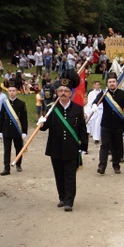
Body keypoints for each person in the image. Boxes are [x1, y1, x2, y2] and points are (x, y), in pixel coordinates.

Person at [37, 72, 88, 211]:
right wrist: (41, 123)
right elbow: (44, 127)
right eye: (61, 90)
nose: (63, 93)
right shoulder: (51, 108)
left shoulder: (77, 109)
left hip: (71, 148)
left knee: (70, 175)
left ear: (71, 93)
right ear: (57, 92)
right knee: (59, 174)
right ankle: (62, 197)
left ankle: (69, 202)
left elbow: (82, 129)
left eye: (66, 91)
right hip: (56, 147)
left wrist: (83, 147)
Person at [92, 74, 124, 174]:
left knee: (117, 146)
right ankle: (102, 166)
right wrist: (94, 105)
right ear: (107, 84)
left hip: (118, 125)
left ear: (117, 83)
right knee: (104, 146)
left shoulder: (123, 94)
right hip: (106, 124)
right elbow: (96, 101)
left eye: (113, 82)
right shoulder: (104, 94)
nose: (112, 84)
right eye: (110, 82)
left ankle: (116, 165)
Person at [0, 80, 28, 175]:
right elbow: (1, 117)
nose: (11, 92)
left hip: (17, 131)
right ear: (8, 92)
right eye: (10, 90)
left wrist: (24, 132)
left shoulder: (21, 104)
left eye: (13, 90)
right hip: (7, 130)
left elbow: (24, 119)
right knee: (7, 150)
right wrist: (0, 131)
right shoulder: (4, 104)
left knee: (19, 149)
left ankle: (18, 164)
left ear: (17, 91)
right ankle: (6, 168)